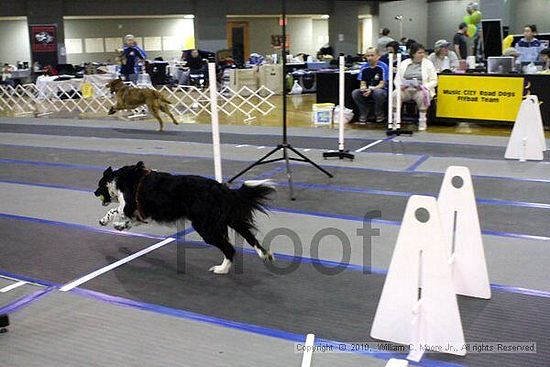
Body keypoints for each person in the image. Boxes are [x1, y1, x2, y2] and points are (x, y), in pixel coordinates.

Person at [392, 43, 438, 131]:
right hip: (406, 89)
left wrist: (423, 87)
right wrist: (400, 86)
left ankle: (422, 121)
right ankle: (395, 121)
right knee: (395, 95)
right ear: (413, 54)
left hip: (420, 89)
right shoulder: (404, 63)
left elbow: (434, 81)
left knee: (423, 96)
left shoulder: (428, 64)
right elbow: (397, 79)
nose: (422, 55)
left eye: (423, 53)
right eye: (419, 53)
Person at [351, 47, 389, 123]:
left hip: (380, 89)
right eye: (367, 56)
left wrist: (371, 90)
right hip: (368, 89)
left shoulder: (383, 66)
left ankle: (378, 112)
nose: (369, 58)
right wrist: (363, 88)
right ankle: (364, 111)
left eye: (372, 55)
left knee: (378, 93)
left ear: (378, 56)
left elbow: (382, 84)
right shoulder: (364, 67)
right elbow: (362, 82)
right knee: (355, 93)